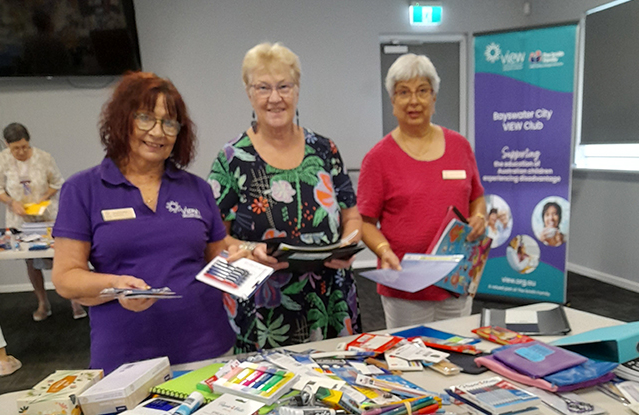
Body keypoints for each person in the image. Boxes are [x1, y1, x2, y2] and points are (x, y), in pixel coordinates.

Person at [51, 72, 258, 374]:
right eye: (146, 118)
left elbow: (218, 254)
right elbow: (66, 277)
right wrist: (116, 285)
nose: (158, 132)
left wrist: (247, 254)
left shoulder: (197, 188)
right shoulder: (83, 189)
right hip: (125, 357)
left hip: (207, 347)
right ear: (123, 119)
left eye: (169, 122)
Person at [207, 42, 362, 353]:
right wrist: (250, 250)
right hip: (263, 305)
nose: (274, 98)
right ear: (249, 93)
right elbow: (213, 238)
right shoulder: (232, 158)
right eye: (263, 87)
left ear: (297, 89)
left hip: (329, 295)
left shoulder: (324, 148)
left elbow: (351, 215)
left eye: (283, 86)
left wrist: (349, 243)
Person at [358, 53, 486, 329]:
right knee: (412, 359)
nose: (413, 101)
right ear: (392, 100)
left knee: (457, 351)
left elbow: (477, 196)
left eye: (422, 91)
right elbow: (365, 222)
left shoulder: (460, 146)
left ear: (434, 97)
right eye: (403, 92)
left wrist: (480, 217)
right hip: (405, 284)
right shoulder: (378, 159)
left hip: (456, 278)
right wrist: (383, 250)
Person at [0, 123, 86, 321]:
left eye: (24, 146)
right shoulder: (1, 160)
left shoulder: (44, 157)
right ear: (7, 144)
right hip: (20, 217)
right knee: (31, 261)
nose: (21, 151)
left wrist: (42, 199)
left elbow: (58, 183)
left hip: (47, 214)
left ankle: (74, 299)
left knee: (60, 256)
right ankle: (42, 302)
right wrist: (12, 202)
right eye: (15, 148)